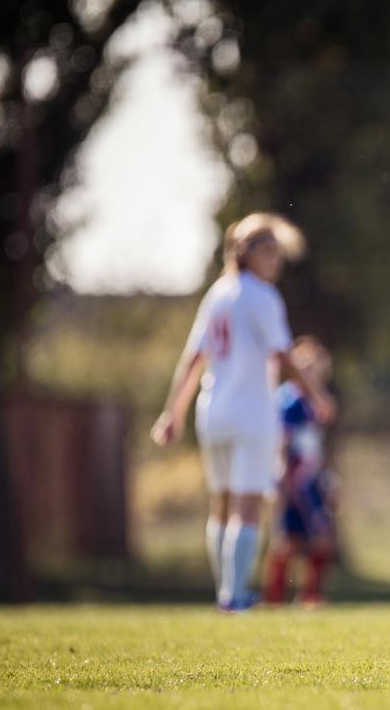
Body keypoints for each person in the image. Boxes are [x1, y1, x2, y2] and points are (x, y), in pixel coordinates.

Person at [152, 213, 334, 612]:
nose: (274, 261)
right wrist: (318, 395)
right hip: (252, 411)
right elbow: (284, 354)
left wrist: (173, 413)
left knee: (221, 502)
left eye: (277, 254)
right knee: (246, 505)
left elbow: (192, 359)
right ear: (243, 251)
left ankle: (225, 591)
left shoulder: (217, 294)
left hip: (212, 410)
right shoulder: (262, 296)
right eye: (266, 252)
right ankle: (234, 596)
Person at [264, 336, 338, 606]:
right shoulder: (288, 400)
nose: (311, 373)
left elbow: (325, 422)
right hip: (294, 480)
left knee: (317, 539)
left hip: (311, 479)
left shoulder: (313, 401)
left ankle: (309, 595)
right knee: (288, 541)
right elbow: (283, 442)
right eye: (306, 367)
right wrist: (282, 479)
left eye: (316, 368)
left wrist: (327, 478)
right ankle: (274, 598)